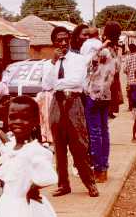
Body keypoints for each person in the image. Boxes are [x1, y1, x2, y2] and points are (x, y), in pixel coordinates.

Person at [42, 26, 99, 197]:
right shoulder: (49, 63)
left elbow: (77, 82)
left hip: (73, 103)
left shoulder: (78, 59)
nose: (63, 42)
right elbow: (46, 85)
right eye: (59, 40)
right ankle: (63, 184)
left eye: (66, 38)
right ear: (54, 42)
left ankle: (90, 183)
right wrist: (53, 64)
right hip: (57, 104)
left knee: (80, 146)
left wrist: (58, 83)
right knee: (59, 148)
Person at [0, 96, 57, 217]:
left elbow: (51, 177)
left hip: (24, 207)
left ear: (35, 122)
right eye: (13, 117)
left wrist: (32, 187)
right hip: (7, 204)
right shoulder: (11, 145)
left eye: (24, 118)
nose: (18, 121)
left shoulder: (34, 150)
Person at [85, 21, 121, 183]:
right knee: (104, 131)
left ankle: (98, 169)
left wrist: (100, 47)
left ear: (105, 33)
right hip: (106, 95)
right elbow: (117, 70)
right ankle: (104, 168)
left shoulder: (103, 51)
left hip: (93, 94)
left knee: (95, 133)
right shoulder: (116, 51)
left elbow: (88, 64)